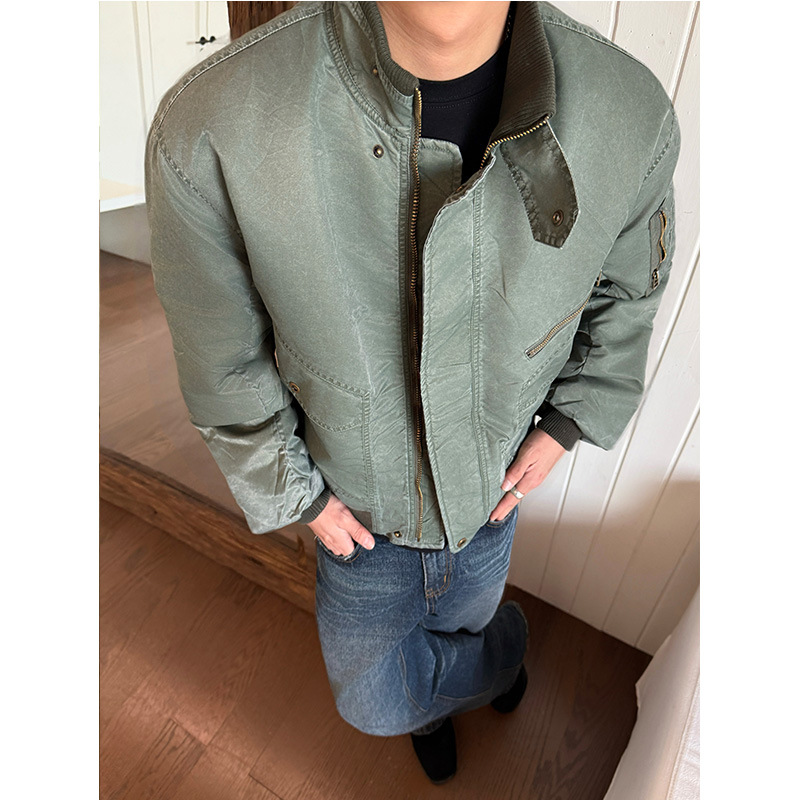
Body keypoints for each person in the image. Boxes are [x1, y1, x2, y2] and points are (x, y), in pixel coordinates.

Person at [145, 0, 680, 785]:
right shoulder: (212, 126)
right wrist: (293, 491)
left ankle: (461, 680)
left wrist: (569, 422)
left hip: (491, 501)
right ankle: (489, 669)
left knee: (468, 621)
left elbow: (627, 294)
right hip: (356, 516)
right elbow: (220, 355)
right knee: (372, 699)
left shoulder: (628, 112)